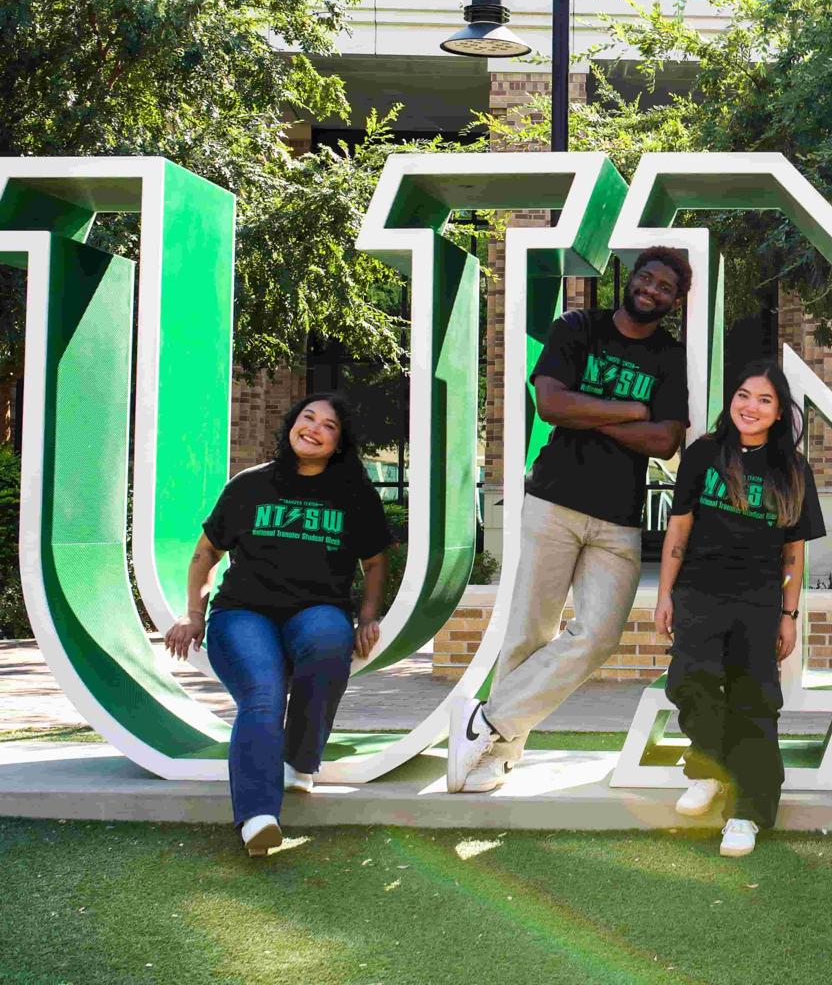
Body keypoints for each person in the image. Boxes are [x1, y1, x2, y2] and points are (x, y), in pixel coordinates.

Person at [449, 248, 691, 793]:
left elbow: (665, 439)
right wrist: (630, 411)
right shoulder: (578, 327)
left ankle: (486, 720)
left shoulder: (669, 356)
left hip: (619, 518)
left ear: (675, 302)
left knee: (598, 635)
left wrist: (589, 411)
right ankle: (496, 754)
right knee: (528, 634)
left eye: (665, 287)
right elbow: (552, 406)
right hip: (554, 500)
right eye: (647, 278)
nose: (652, 290)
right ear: (631, 279)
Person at [164, 393, 393, 856]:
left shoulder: (353, 495)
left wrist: (368, 617)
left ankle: (300, 760)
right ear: (292, 423)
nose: (314, 429)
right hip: (243, 613)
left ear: (339, 442)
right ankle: (257, 817)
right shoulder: (250, 485)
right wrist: (194, 613)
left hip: (318, 610)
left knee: (328, 640)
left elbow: (375, 562)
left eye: (328, 425)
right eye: (308, 418)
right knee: (263, 694)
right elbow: (207, 552)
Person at [652, 361, 825, 857]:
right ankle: (708, 768)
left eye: (764, 400)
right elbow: (679, 529)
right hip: (699, 592)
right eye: (744, 395)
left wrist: (789, 614)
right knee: (690, 680)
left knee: (755, 701)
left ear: (779, 412)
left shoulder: (793, 470)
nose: (751, 407)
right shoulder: (704, 453)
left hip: (758, 601)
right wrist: (664, 594)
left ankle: (747, 813)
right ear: (732, 400)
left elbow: (794, 553)